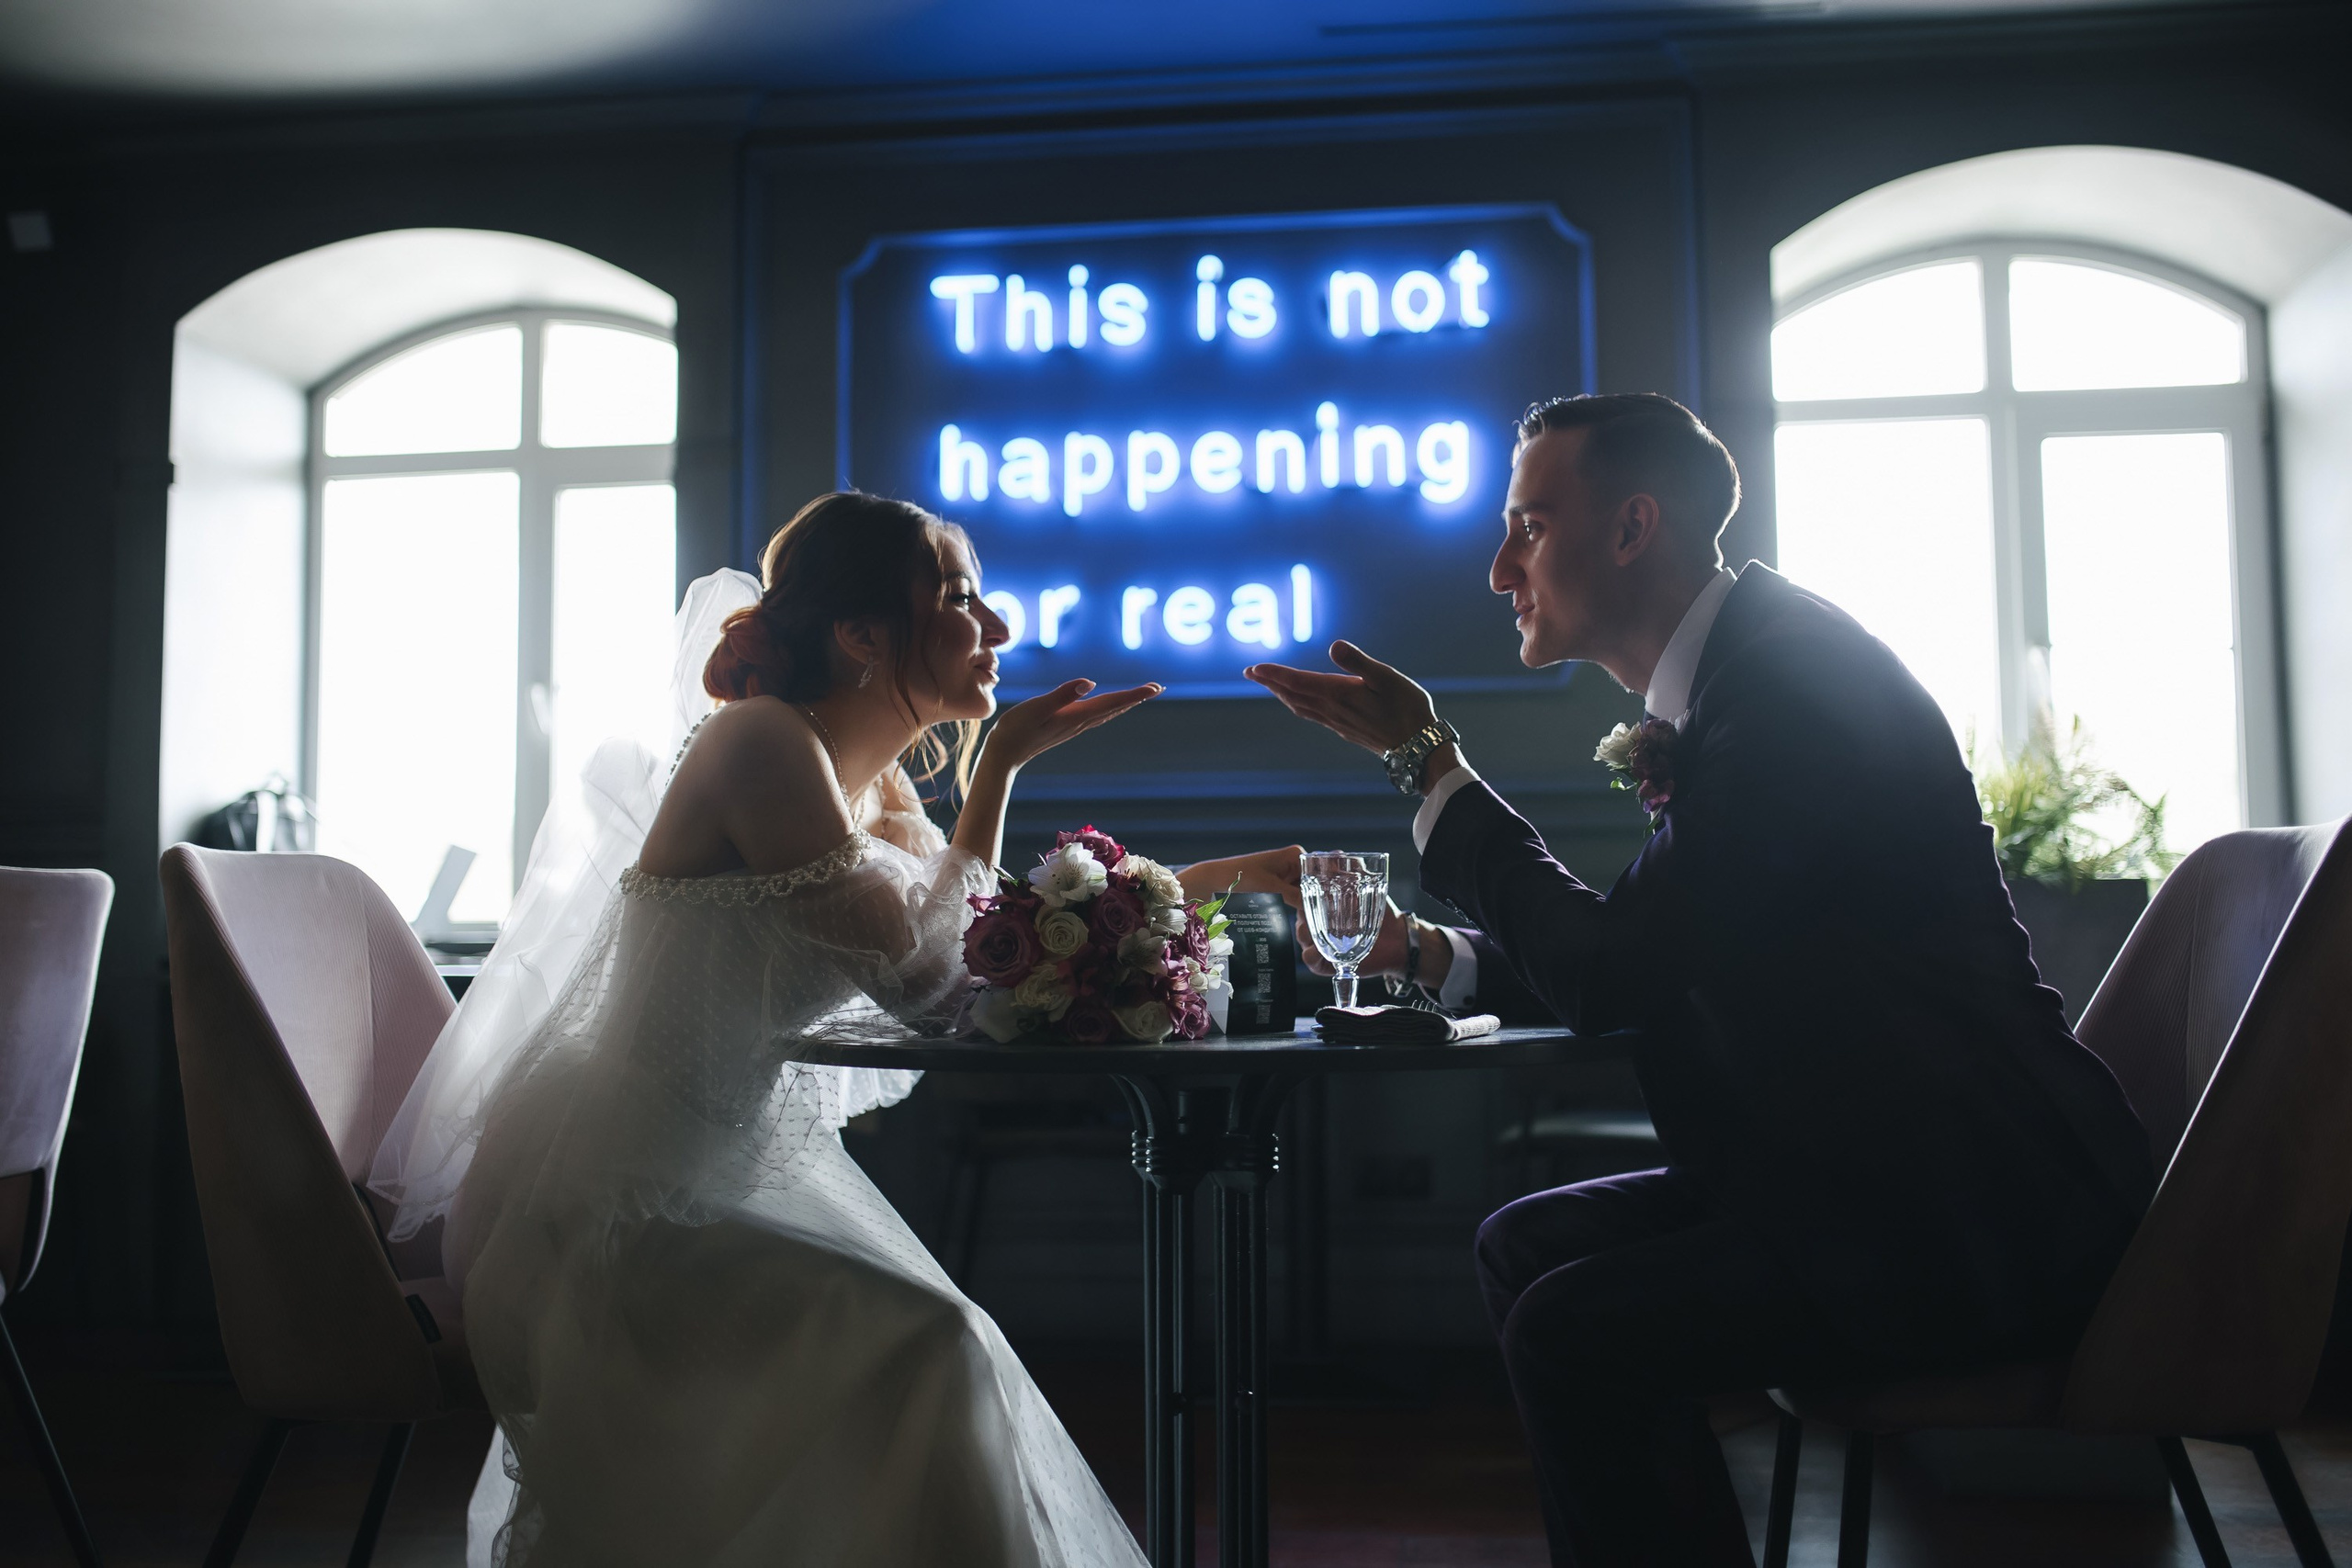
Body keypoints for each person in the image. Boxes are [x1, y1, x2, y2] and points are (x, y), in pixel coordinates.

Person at [1245, 394, 2155, 1567]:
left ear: (1631, 529)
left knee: (1575, 1331)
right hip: (1870, 1177)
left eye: (1527, 523)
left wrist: (1431, 764)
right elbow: (1659, 950)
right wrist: (1433, 956)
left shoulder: (1785, 695)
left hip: (1968, 1216)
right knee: (1524, 1252)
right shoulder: (1752, 674)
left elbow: (1619, 973)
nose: (1494, 568)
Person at [370, 491, 1171, 1568]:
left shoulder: (873, 791)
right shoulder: (760, 744)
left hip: (714, 1176)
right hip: (610, 1205)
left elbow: (956, 955)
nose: (999, 629)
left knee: (945, 1346)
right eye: (960, 596)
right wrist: (1000, 771)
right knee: (935, 1347)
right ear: (859, 635)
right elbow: (928, 987)